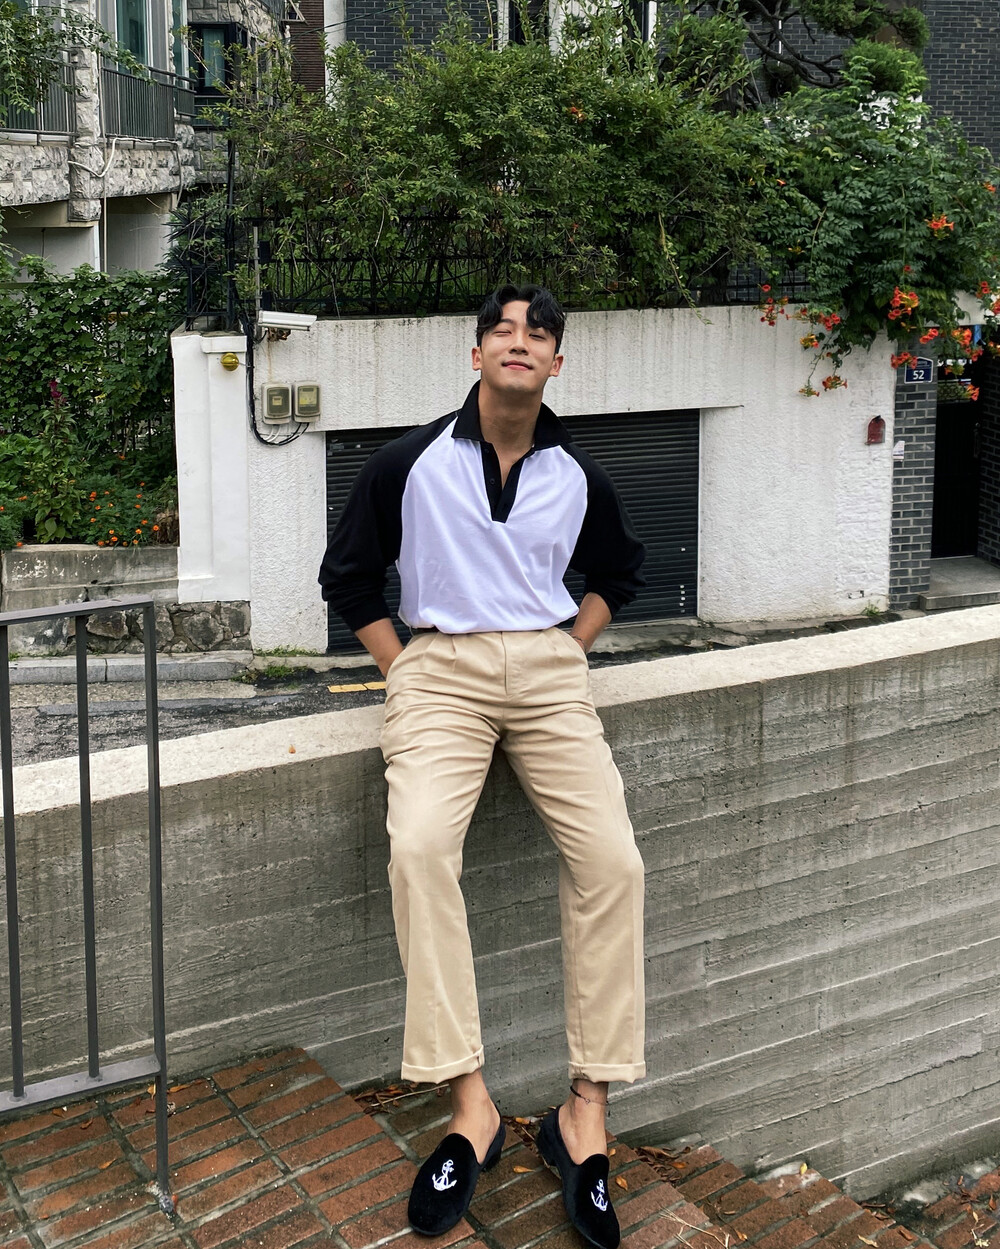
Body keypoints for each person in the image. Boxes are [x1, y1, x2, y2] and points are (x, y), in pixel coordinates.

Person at [318, 284, 647, 1249]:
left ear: (556, 363)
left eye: (537, 333)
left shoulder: (578, 473)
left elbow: (619, 572)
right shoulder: (409, 462)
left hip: (547, 669)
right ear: (476, 355)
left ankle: (585, 1113)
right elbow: (347, 576)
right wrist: (406, 667)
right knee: (420, 849)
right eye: (502, 329)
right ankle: (473, 1106)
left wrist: (568, 648)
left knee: (614, 863)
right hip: (440, 669)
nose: (518, 342)